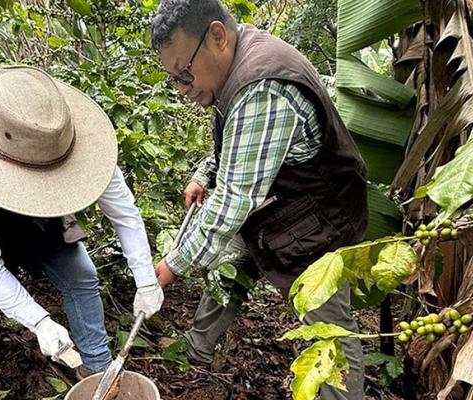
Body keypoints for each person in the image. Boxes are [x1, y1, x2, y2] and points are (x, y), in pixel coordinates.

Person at [0, 65, 164, 400]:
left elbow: (123, 214)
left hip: (36, 218)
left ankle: (98, 375)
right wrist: (39, 323)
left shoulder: (68, 139)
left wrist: (146, 279)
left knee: (81, 275)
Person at [149, 0, 368, 398]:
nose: (182, 89)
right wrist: (203, 174)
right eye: (174, 80)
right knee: (227, 267)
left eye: (184, 73)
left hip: (316, 221)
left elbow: (233, 200)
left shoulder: (264, 87)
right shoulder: (237, 64)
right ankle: (197, 350)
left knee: (329, 333)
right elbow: (236, 143)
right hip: (274, 209)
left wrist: (172, 265)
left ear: (217, 36)